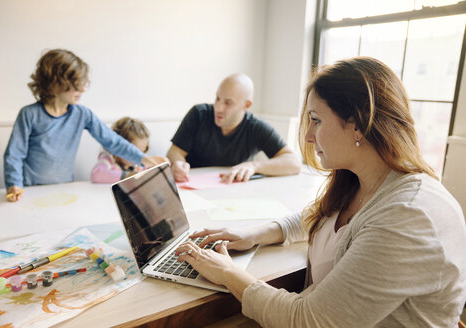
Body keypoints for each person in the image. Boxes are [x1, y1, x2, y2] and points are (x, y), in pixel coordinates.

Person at [174, 57, 466, 327]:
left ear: (358, 126)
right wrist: (256, 234)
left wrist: (227, 273)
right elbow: (322, 217)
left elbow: (310, 321)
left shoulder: (408, 216)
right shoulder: (361, 181)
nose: (308, 136)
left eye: (316, 120)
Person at [4, 49, 153, 201]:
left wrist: (143, 158)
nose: (82, 89)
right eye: (75, 85)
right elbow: (14, 154)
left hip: (64, 188)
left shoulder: (82, 114)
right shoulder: (29, 114)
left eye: (82, 84)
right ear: (54, 85)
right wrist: (14, 183)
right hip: (31, 190)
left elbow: (112, 141)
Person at [166, 73, 301, 183]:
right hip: (191, 187)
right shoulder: (198, 114)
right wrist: (177, 163)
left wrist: (254, 166)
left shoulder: (256, 127)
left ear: (246, 105)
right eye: (217, 98)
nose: (218, 108)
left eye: (228, 103)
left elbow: (293, 163)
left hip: (232, 191)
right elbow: (174, 152)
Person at [91, 116, 168, 183]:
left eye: (142, 151)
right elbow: (96, 174)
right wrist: (127, 176)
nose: (138, 156)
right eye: (134, 152)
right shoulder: (108, 159)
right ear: (120, 147)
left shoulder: (139, 164)